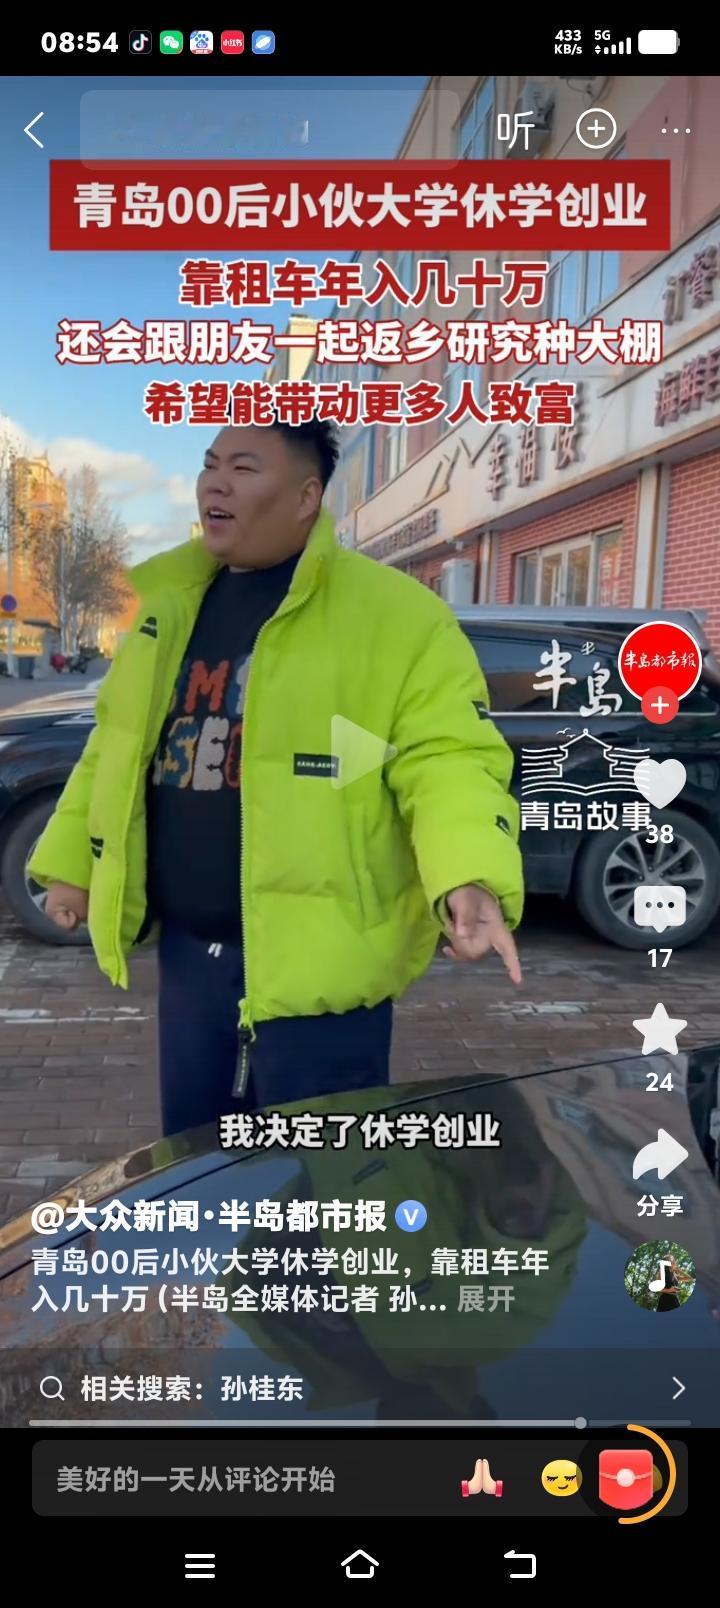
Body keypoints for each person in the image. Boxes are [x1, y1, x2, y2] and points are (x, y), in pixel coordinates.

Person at [29, 421, 524, 1136]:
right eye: (210, 465)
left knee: (322, 1178)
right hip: (190, 964)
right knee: (200, 1169)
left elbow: (449, 758)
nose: (215, 483)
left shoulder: (397, 617)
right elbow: (114, 747)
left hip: (327, 974)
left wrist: (468, 873)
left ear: (305, 497)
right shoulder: (170, 611)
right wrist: (74, 864)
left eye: (243, 467)